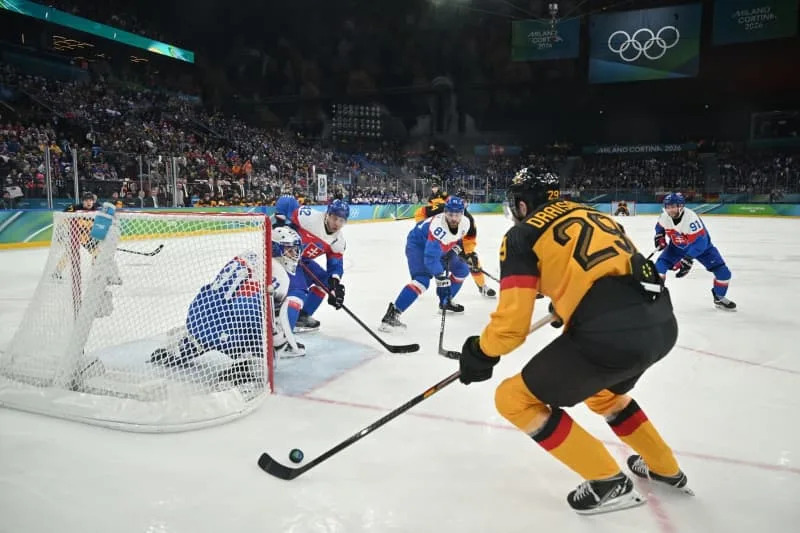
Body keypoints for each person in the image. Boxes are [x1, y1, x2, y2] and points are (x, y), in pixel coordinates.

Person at [457, 168, 690, 514]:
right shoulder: (592, 213)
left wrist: (480, 352)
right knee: (604, 395)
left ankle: (608, 481)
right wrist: (569, 302)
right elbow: (618, 270)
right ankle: (665, 467)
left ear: (522, 203)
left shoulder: (522, 235)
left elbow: (511, 327)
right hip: (660, 323)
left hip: (608, 333)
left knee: (513, 399)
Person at [150, 251, 267, 384]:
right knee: (260, 353)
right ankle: (242, 369)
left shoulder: (240, 264)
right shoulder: (256, 277)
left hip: (197, 317)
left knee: (198, 341)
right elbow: (246, 312)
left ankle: (181, 348)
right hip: (221, 330)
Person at [380, 196, 470, 331]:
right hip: (418, 246)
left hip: (437, 247)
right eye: (450, 214)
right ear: (445, 212)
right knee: (422, 281)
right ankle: (392, 315)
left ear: (462, 214)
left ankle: (446, 302)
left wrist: (456, 251)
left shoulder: (465, 223)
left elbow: (456, 239)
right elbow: (430, 259)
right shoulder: (437, 228)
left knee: (462, 269)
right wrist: (441, 279)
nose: (453, 218)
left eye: (457, 215)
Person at [273, 195, 349, 331]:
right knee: (299, 290)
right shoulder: (309, 218)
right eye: (334, 218)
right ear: (327, 215)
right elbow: (286, 201)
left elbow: (335, 265)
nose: (337, 223)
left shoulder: (338, 241)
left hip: (301, 261)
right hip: (284, 258)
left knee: (326, 281)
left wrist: (334, 286)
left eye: (341, 221)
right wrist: (280, 220)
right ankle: (283, 331)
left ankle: (302, 316)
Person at [655, 192, 736, 310]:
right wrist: (659, 236)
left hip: (703, 249)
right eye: (667, 207)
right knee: (659, 267)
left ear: (680, 206)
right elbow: (660, 226)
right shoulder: (664, 216)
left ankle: (719, 297)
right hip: (677, 247)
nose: (670, 210)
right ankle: (656, 294)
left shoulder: (691, 219)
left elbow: (700, 243)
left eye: (673, 207)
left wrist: (687, 259)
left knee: (724, 274)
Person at [414, 194, 495, 298]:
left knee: (473, 261)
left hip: (456, 241)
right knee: (428, 260)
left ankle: (482, 286)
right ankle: (419, 282)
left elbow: (469, 240)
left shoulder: (469, 220)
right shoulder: (441, 209)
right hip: (436, 238)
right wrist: (426, 233)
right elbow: (420, 213)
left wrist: (469, 253)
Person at [54, 192, 122, 285]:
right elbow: (63, 216)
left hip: (88, 238)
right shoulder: (75, 208)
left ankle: (96, 273)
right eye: (86, 201)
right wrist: (61, 230)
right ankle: (57, 272)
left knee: (97, 254)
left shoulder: (98, 209)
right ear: (82, 201)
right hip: (75, 236)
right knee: (69, 253)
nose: (89, 203)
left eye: (91, 200)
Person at [270, 226, 307, 358]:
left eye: (296, 250)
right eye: (289, 250)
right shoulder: (279, 274)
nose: (295, 255)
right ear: (275, 249)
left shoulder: (268, 263)